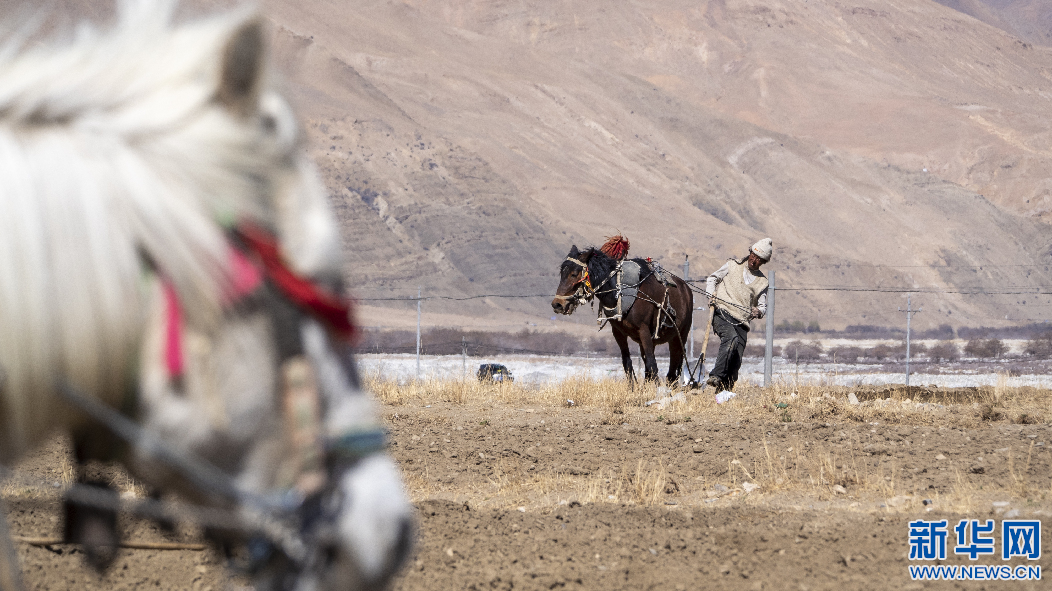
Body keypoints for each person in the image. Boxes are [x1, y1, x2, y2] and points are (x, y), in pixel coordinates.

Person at [704, 238, 772, 402]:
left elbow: (763, 306)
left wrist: (758, 311)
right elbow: (712, 278)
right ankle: (716, 375)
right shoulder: (732, 265)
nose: (754, 260)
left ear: (763, 262)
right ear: (750, 253)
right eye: (753, 255)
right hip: (722, 312)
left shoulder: (763, 282)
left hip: (742, 321)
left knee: (736, 360)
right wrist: (711, 295)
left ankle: (723, 395)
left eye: (758, 259)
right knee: (731, 339)